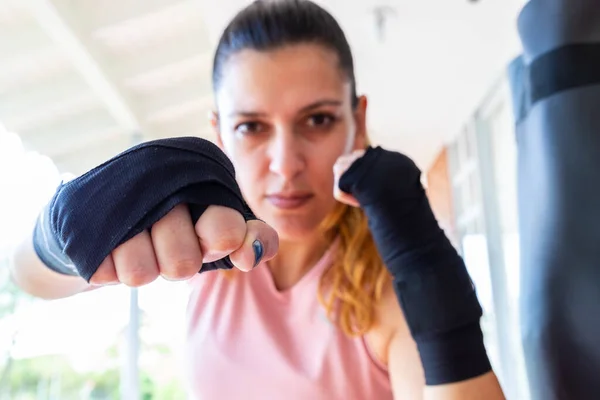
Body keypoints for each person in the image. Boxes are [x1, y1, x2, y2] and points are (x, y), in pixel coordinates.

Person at [10, 1, 506, 399]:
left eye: (317, 120)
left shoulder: (391, 285)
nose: (286, 163)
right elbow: (29, 276)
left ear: (357, 121)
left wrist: (439, 303)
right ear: (219, 134)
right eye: (251, 127)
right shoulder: (204, 247)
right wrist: (61, 233)